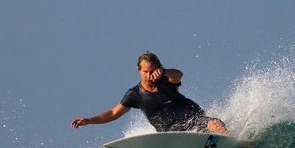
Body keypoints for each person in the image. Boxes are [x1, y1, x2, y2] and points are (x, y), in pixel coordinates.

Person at [71, 52, 228, 134]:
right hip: (170, 134)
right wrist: (89, 120)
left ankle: (234, 141)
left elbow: (178, 75)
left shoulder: (166, 80)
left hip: (192, 119)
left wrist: (164, 72)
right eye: (145, 71)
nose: (149, 75)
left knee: (213, 123)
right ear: (139, 71)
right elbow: (113, 113)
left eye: (152, 71)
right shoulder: (135, 94)